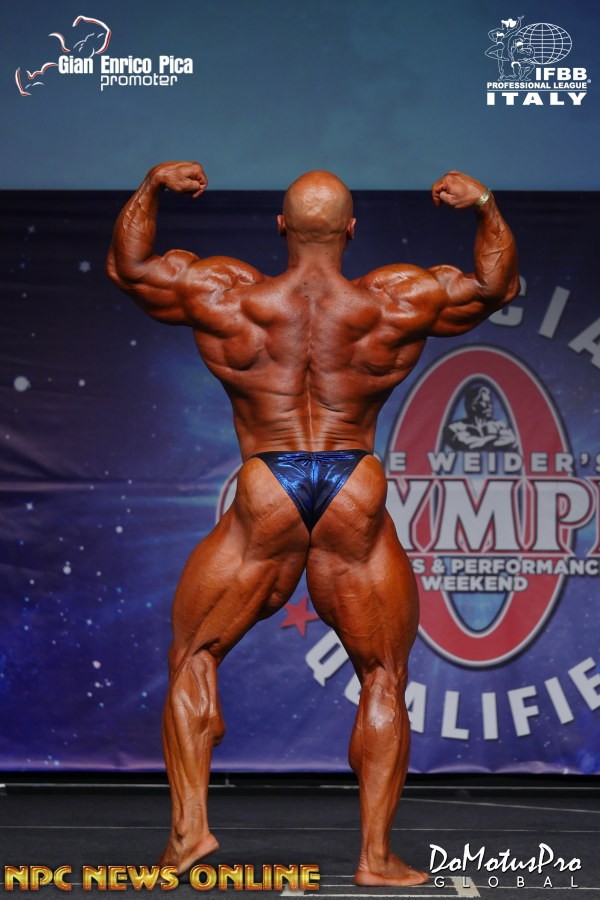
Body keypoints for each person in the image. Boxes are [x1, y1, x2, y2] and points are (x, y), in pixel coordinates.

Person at [106, 164, 519, 887]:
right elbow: (495, 285)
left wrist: (151, 187)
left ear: (281, 228)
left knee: (195, 655)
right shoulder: (392, 301)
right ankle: (375, 858)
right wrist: (484, 204)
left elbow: (129, 267)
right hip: (353, 483)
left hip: (267, 482)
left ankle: (189, 832)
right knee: (383, 674)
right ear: (351, 230)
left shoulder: (230, 296)